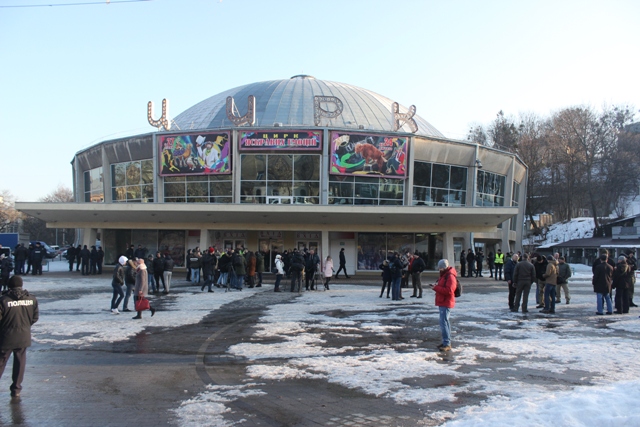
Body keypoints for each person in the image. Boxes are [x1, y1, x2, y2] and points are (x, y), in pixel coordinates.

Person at [0, 275, 39, 398]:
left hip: (6, 337)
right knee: (20, 362)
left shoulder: (3, 300)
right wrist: (25, 326)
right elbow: (35, 317)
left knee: (1, 361)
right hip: (23, 336)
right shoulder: (32, 299)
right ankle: (16, 389)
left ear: (9, 286)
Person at [430, 259, 456, 352]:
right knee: (445, 322)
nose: (439, 269)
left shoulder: (450, 276)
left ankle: (447, 343)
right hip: (443, 301)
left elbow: (449, 291)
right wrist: (436, 286)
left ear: (443, 267)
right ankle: (446, 342)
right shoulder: (445, 275)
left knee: (444, 323)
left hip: (446, 302)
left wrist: (436, 288)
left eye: (440, 267)